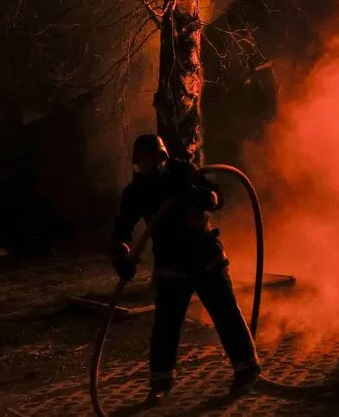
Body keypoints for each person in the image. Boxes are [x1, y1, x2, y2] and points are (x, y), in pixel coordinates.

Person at [110, 134, 260, 402]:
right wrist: (121, 255)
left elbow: (218, 196)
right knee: (166, 326)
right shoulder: (136, 193)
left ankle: (246, 369)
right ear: (137, 161)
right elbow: (122, 230)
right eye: (148, 159)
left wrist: (204, 197)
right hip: (171, 265)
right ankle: (160, 381)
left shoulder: (184, 172)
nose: (155, 164)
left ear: (164, 157)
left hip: (205, 256)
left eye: (159, 158)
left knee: (226, 314)